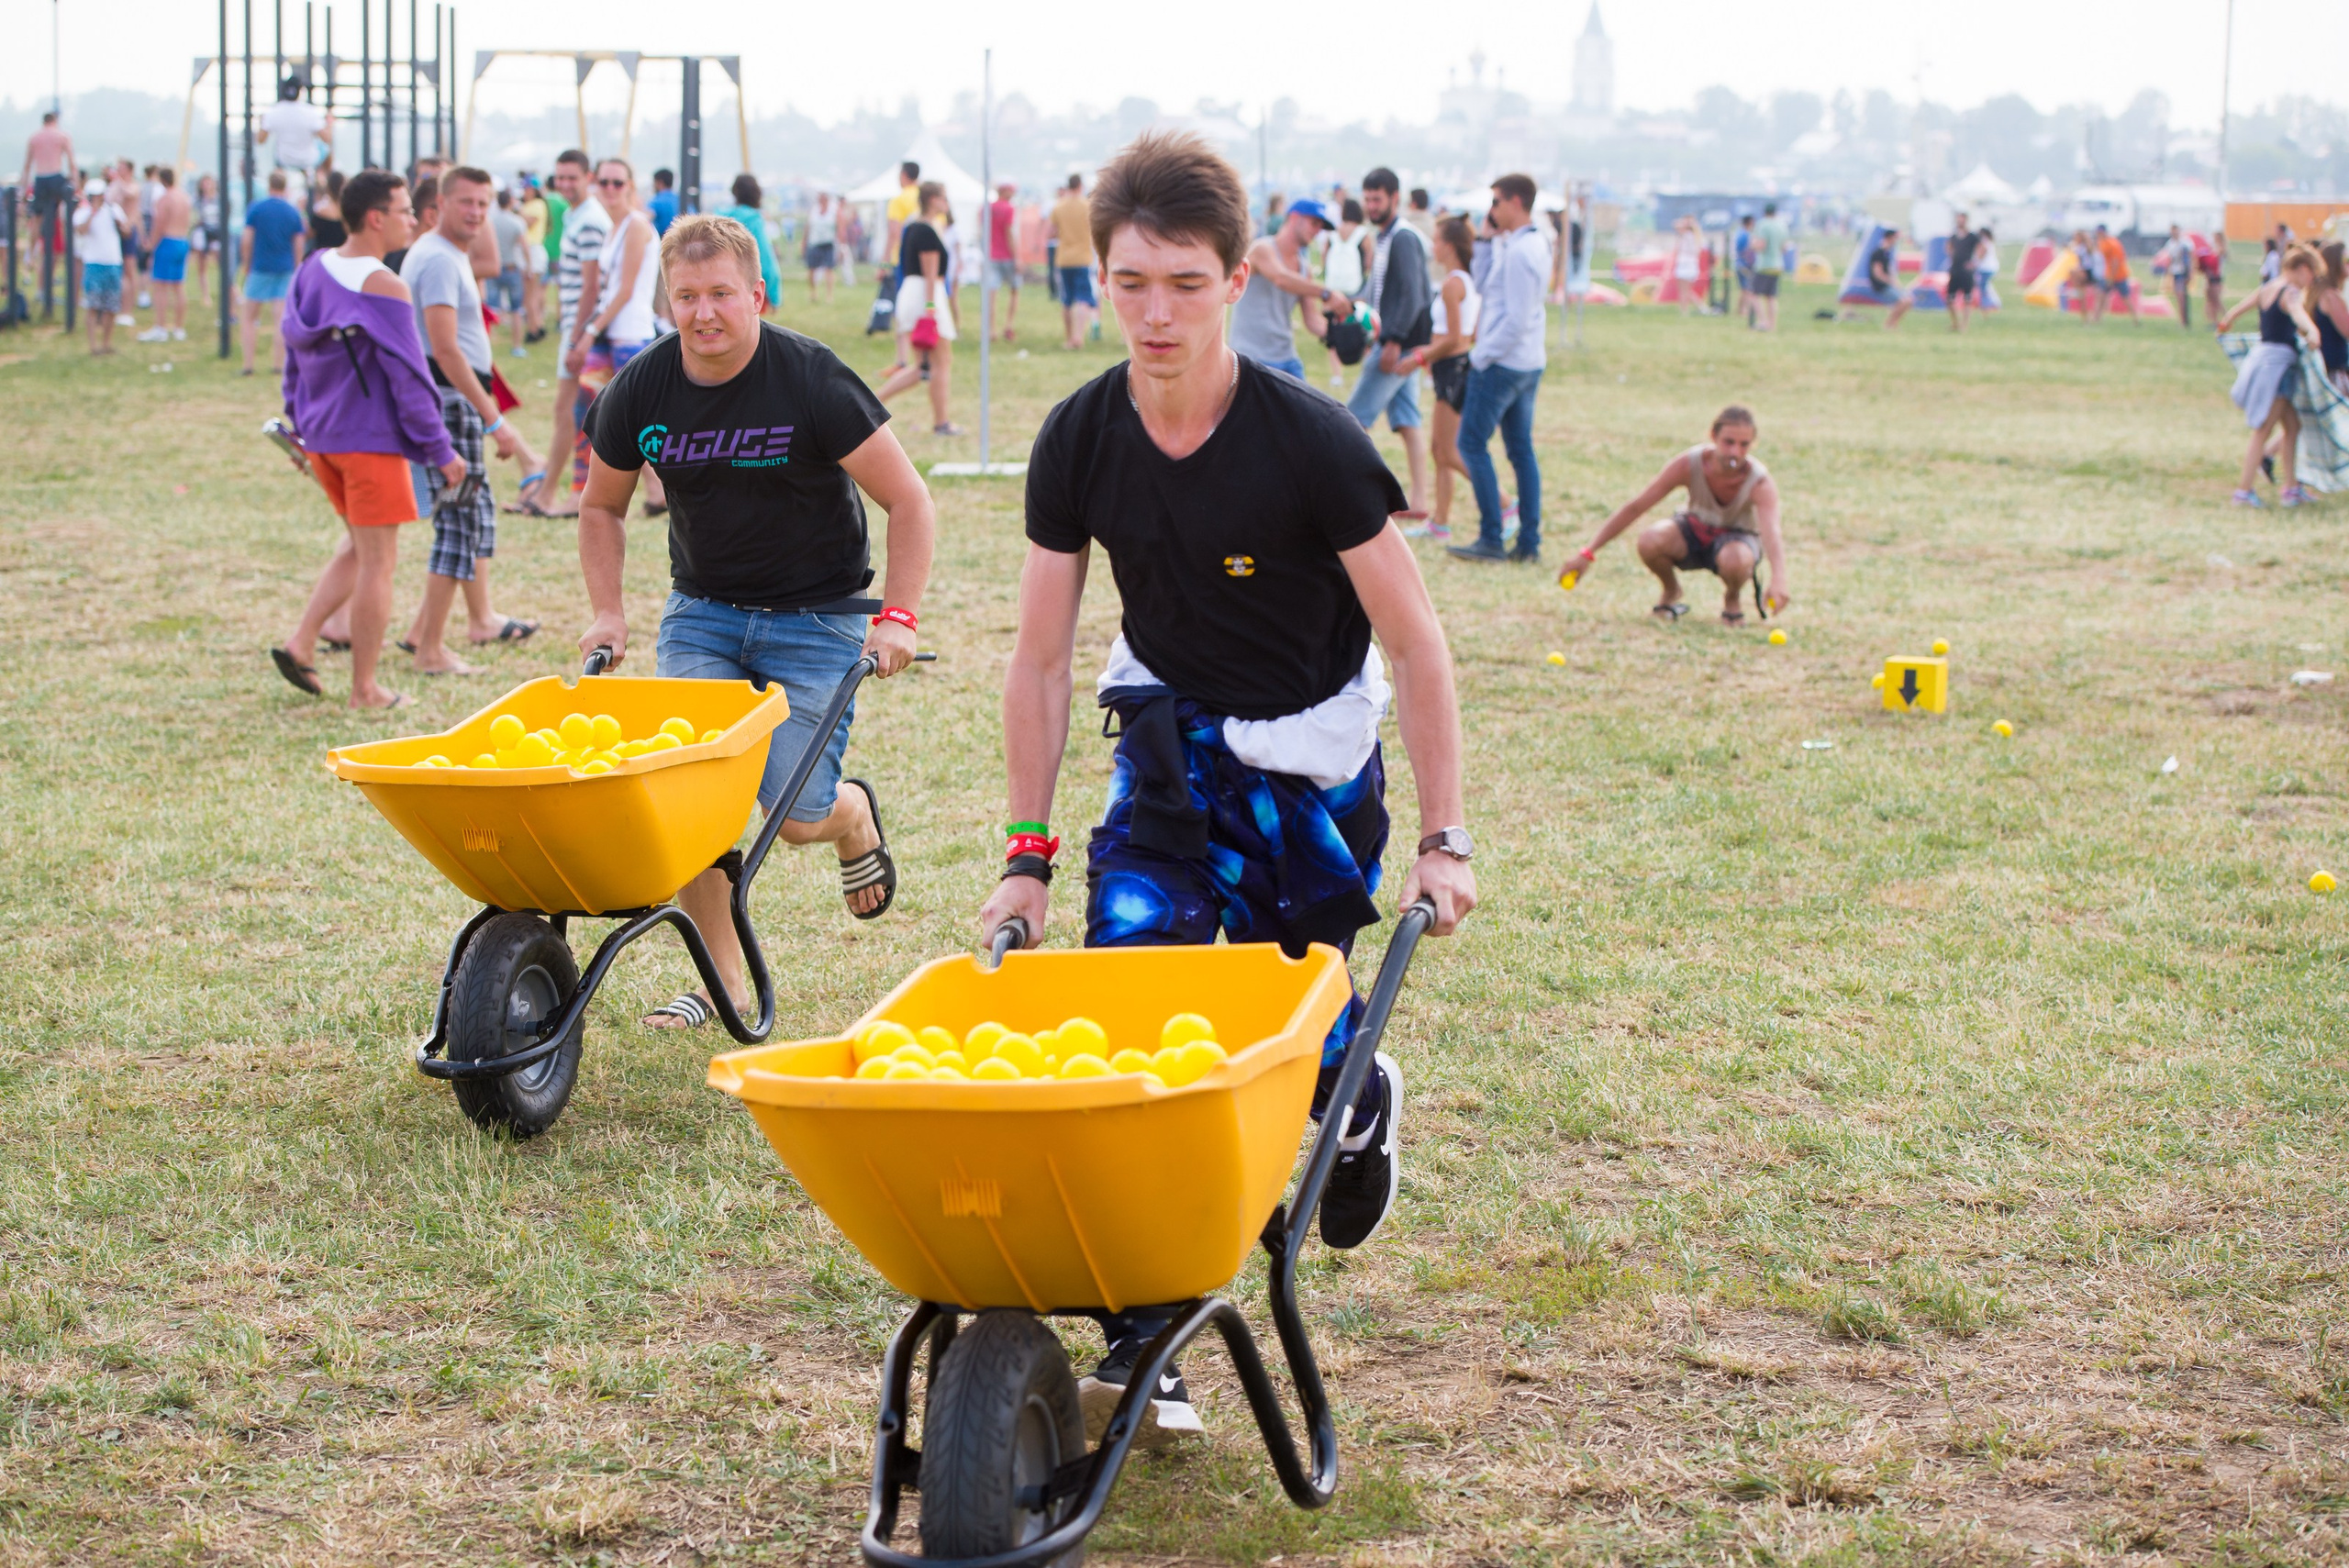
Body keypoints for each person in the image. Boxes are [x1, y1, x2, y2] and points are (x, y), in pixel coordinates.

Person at [976, 131, 1475, 1445]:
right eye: (1130, 281)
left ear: (1237, 277)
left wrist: (1444, 836)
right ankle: (1152, 1340)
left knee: (1278, 1028)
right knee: (1137, 996)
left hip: (1310, 753)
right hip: (1163, 729)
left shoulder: (1310, 444)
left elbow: (1418, 643)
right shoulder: (1079, 437)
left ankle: (1356, 1097)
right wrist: (1027, 849)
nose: (1154, 313)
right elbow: (1035, 659)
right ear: (1099, 278)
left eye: (1185, 284)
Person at [577, 212, 937, 1020]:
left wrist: (900, 616)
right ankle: (723, 982)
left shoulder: (810, 377)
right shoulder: (642, 386)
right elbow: (601, 507)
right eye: (686, 296)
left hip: (818, 618)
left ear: (758, 296)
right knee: (694, 804)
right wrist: (608, 611)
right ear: (667, 301)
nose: (703, 313)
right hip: (702, 615)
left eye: (721, 294)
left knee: (796, 816)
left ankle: (850, 816)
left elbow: (908, 499)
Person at [273, 170, 465, 710]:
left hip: (324, 438)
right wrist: (441, 451)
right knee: (379, 562)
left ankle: (302, 641)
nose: (416, 218)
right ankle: (365, 688)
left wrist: (297, 425)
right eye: (406, 210)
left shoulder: (313, 268)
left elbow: (293, 355)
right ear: (376, 217)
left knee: (359, 548)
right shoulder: (384, 284)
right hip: (370, 442)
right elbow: (408, 378)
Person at [399, 164, 541, 673]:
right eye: (467, 203)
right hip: (449, 400)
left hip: (452, 400)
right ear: (441, 203)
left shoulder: (447, 255)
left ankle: (426, 633)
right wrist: (494, 419)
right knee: (460, 522)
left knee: (467, 518)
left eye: (483, 204)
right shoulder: (437, 259)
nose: (477, 214)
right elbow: (444, 350)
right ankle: (431, 650)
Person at [1562, 406, 1793, 626]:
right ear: (1713, 436)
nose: (1735, 452)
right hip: (1695, 531)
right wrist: (1588, 552)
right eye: (1729, 442)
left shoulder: (1759, 481)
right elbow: (1637, 506)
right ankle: (1671, 589)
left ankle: (1732, 598)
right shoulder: (1690, 463)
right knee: (1650, 540)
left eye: (1744, 445)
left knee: (1736, 559)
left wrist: (1779, 579)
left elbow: (1771, 531)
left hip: (1737, 541)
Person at [1445, 174, 1550, 564]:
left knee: (1471, 444)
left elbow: (1516, 318)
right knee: (1521, 451)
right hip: (1526, 361)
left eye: (1497, 202)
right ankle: (1528, 541)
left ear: (1516, 202)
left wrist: (1480, 356)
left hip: (1504, 362)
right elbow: (1486, 286)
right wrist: (1487, 241)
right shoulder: (1527, 243)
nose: (1491, 210)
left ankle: (1492, 536)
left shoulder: (1523, 251)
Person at [568, 160, 663, 510]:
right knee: (596, 412)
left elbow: (625, 291)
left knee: (634, 418)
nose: (610, 189)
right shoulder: (615, 227)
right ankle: (589, 487)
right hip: (613, 334)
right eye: (604, 182)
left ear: (630, 185)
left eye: (617, 183)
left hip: (631, 335)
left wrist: (589, 331)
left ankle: (660, 490)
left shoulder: (636, 226)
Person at [522, 150, 606, 517]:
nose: (566, 184)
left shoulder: (589, 220)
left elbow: (592, 286)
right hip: (575, 325)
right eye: (561, 178)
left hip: (580, 328)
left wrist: (577, 338)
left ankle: (549, 494)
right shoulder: (574, 216)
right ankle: (546, 492)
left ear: (588, 177)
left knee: (569, 412)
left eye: (573, 177)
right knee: (567, 412)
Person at [1347, 167, 1434, 517]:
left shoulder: (1402, 238)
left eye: (1377, 199)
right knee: (1408, 422)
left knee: (1353, 422)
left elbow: (1413, 295)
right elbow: (1378, 292)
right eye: (1367, 199)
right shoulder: (1384, 238)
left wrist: (1394, 339)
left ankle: (1359, 499)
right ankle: (1420, 502)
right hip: (1398, 342)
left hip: (1398, 344)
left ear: (1395, 198)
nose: (1371, 205)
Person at [2216, 243, 2321, 508]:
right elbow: (2298, 315)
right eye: (2312, 274)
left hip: (2263, 361)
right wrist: (2313, 332)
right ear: (2302, 269)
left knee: (2292, 426)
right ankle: (2244, 491)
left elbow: (2241, 307)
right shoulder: (2291, 292)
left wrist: (2227, 320)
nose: (2311, 281)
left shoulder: (2268, 288)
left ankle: (2291, 488)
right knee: (2262, 430)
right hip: (2278, 368)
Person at [874, 182, 963, 435]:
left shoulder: (912, 226)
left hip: (913, 294)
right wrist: (931, 306)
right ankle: (942, 422)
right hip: (926, 293)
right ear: (933, 199)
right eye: (943, 197)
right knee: (942, 361)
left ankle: (870, 404)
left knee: (923, 367)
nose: (946, 202)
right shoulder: (926, 230)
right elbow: (930, 269)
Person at [1414, 217, 1478, 540]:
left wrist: (1422, 355)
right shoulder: (1465, 281)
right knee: (1440, 450)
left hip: (1451, 369)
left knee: (1449, 452)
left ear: (1449, 246)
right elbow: (1471, 333)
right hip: (1450, 368)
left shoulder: (1454, 283)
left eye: (1437, 240)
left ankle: (1506, 502)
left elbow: (1454, 338)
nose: (1433, 246)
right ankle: (1440, 522)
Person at [1230, 196, 1339, 380]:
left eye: (1321, 227)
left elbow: (1312, 320)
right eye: (1314, 223)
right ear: (1295, 218)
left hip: (1287, 359)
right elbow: (1281, 279)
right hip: (1252, 359)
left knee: (1307, 408)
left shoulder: (1305, 268)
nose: (1318, 231)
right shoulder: (1262, 249)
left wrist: (1342, 333)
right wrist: (1327, 293)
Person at [240, 170, 308, 375]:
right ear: (284, 187)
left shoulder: (257, 209)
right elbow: (299, 243)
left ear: (269, 186)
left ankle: (248, 365)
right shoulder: (292, 211)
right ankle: (278, 365)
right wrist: (297, 267)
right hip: (285, 268)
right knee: (280, 319)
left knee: (249, 317)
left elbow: (247, 239)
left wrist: (246, 265)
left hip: (260, 267)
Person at [18, 110, 75, 316]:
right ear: (56, 121)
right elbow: (71, 161)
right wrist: (75, 184)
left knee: (37, 219)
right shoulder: (61, 135)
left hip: (40, 179)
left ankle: (31, 254)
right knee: (60, 213)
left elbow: (27, 166)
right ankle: (41, 254)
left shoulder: (34, 137)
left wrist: (23, 190)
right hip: (56, 177)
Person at [72, 180, 128, 356]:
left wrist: (121, 225)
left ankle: (106, 343)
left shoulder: (114, 210)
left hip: (113, 262)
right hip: (93, 263)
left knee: (112, 306)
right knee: (92, 305)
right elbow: (81, 230)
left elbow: (126, 232)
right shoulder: (82, 213)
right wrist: (92, 214)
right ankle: (93, 345)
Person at [1321, 196, 1371, 389]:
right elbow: (1368, 261)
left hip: (1333, 289)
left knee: (1332, 331)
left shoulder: (1332, 233)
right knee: (1362, 328)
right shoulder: (1363, 233)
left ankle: (1337, 375)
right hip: (1355, 289)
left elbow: (1324, 259)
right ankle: (1363, 370)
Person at [138, 168, 192, 342]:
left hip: (167, 242)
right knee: (179, 286)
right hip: (182, 241)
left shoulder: (165, 199)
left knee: (160, 287)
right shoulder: (184, 197)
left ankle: (160, 327)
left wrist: (150, 245)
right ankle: (179, 328)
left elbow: (159, 224)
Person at [255, 74, 329, 199]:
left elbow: (260, 140)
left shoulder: (274, 111)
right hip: (309, 161)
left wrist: (262, 122)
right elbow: (327, 138)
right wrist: (330, 123)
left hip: (284, 161)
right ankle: (322, 179)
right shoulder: (310, 112)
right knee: (325, 149)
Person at [721, 173, 782, 312]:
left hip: (718, 290)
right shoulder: (755, 221)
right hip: (747, 290)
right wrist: (775, 296)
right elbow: (765, 261)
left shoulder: (720, 218)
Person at [1052, 173, 1097, 349]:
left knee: (1066, 300)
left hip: (1064, 258)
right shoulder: (1087, 206)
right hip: (1083, 258)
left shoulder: (1059, 206)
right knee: (1083, 298)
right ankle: (1079, 336)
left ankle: (1069, 337)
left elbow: (1052, 232)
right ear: (1080, 186)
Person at [487, 185, 530, 353]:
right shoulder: (516, 221)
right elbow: (524, 246)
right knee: (516, 310)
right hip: (512, 268)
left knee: (491, 311)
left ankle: (488, 349)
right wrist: (529, 266)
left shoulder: (491, 220)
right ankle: (517, 346)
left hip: (494, 268)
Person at [2311, 241, 2349, 398]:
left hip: (2321, 367)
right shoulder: (2331, 296)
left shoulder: (2318, 291)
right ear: (2336, 264)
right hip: (2334, 372)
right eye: (2347, 261)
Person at [985, 181, 1020, 340]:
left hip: (991, 255)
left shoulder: (986, 209)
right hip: (1007, 256)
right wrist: (1017, 257)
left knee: (992, 294)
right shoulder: (1009, 209)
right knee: (1014, 290)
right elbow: (1009, 233)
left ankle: (991, 329)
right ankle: (1008, 325)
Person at [517, 176, 551, 339]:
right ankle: (537, 324)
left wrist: (515, 212)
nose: (524, 191)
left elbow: (529, 223)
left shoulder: (536, 205)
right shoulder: (532, 204)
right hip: (531, 250)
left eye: (527, 188)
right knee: (533, 293)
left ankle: (533, 329)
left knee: (529, 295)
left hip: (532, 250)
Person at [1863, 227, 1913, 328]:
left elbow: (1890, 271)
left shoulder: (1887, 253)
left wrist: (1896, 283)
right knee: (1904, 301)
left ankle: (1893, 323)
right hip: (1881, 285)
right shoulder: (1878, 253)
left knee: (1908, 300)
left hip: (1887, 284)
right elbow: (1877, 273)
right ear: (1889, 238)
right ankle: (1889, 324)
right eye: (1895, 238)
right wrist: (1890, 282)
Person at [1752, 201, 1788, 332]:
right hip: (1778, 264)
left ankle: (1763, 322)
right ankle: (1772, 325)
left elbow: (1761, 245)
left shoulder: (1763, 225)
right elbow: (1784, 248)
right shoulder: (1781, 225)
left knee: (1755, 295)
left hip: (1764, 265)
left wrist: (1753, 245)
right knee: (1771, 297)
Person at [1945, 212, 1981, 333]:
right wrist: (1952, 256)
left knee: (1967, 298)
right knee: (1950, 299)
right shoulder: (1954, 236)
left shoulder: (1972, 236)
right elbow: (1948, 247)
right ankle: (1955, 323)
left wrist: (1975, 262)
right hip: (1955, 270)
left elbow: (1983, 248)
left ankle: (1964, 325)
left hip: (1966, 271)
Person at [191, 173, 223, 306]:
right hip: (202, 232)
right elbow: (194, 217)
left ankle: (232, 292)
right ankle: (205, 295)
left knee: (222, 264)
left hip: (217, 232)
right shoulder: (198, 201)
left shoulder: (219, 199)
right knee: (201, 265)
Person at [803, 190, 840, 303]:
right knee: (812, 269)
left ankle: (829, 295)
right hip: (814, 243)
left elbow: (839, 227)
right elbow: (808, 227)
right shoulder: (813, 210)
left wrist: (841, 244)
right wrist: (804, 241)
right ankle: (813, 293)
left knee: (829, 269)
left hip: (829, 243)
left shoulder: (834, 211)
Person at [2096, 225, 2136, 323]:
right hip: (2108, 274)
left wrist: (2111, 277)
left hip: (2118, 275)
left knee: (2125, 297)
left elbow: (2115, 261)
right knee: (2101, 295)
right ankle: (2096, 318)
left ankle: (2135, 319)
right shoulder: (2102, 243)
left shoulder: (2112, 243)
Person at [1670, 214, 1703, 315]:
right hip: (1684, 263)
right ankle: (1685, 310)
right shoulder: (1684, 235)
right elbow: (1675, 225)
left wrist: (1689, 224)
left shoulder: (1693, 236)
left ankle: (1700, 308)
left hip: (1688, 264)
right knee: (1684, 290)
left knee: (1686, 290)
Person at [1732, 213, 1755, 324]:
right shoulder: (1746, 235)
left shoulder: (1739, 233)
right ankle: (1744, 310)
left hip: (1738, 264)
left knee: (1743, 289)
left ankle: (1740, 310)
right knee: (1747, 289)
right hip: (1744, 265)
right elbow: (1746, 250)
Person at [648, 168, 678, 235]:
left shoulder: (657, 201)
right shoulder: (681, 199)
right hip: (682, 240)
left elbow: (646, 218)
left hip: (664, 240)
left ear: (659, 182)